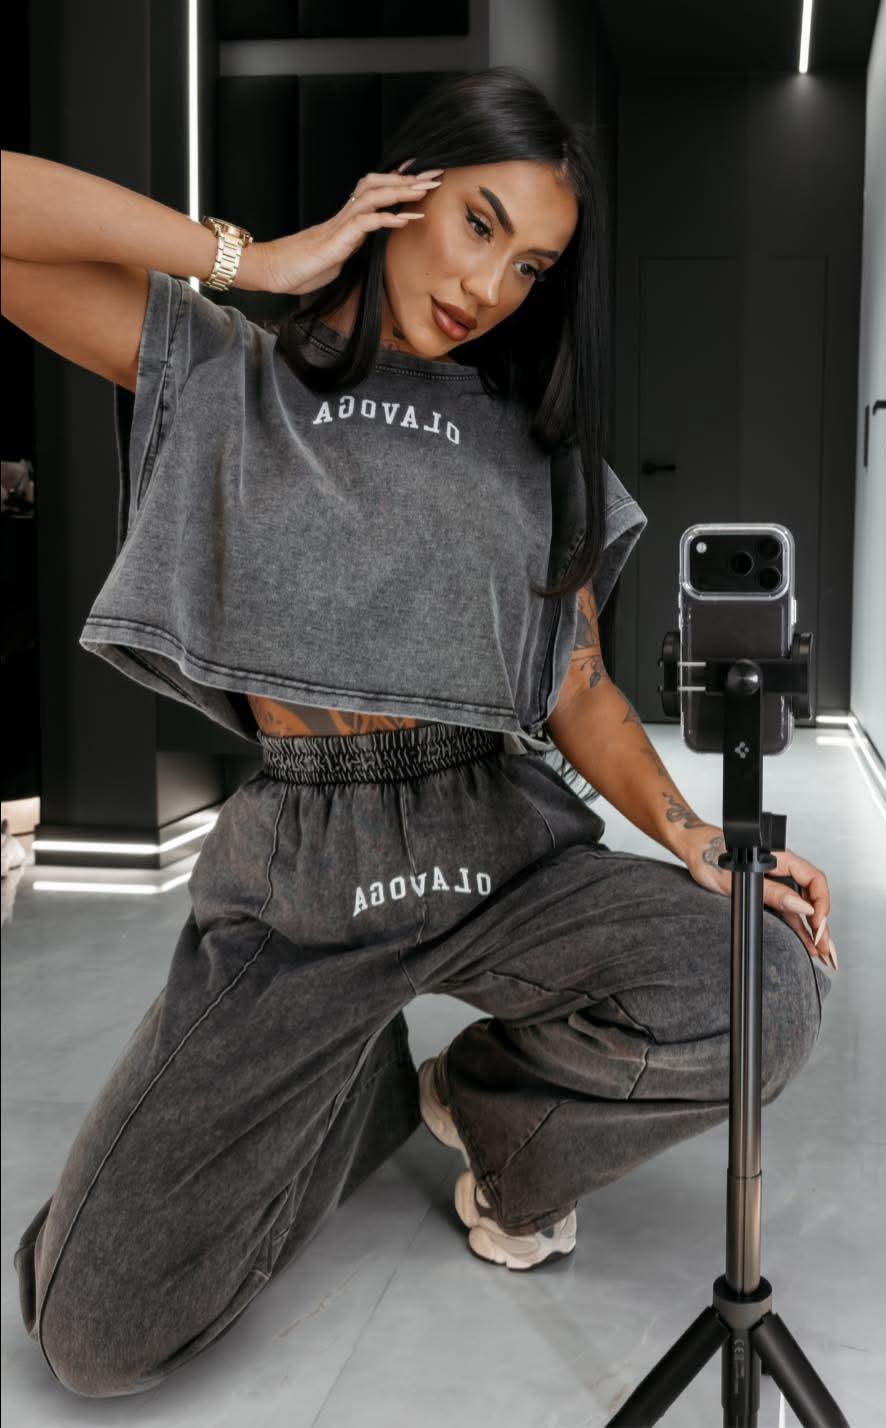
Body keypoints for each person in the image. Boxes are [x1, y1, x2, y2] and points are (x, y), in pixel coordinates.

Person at [0, 66, 837, 1400]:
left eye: (531, 266)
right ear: (402, 192)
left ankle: (497, 1121)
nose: (490, 287)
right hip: (303, 880)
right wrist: (256, 258)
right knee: (91, 1336)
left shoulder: (532, 450)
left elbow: (578, 690)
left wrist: (691, 835)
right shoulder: (229, 371)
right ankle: (359, 1093)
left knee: (769, 984)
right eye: (477, 224)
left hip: (495, 836)